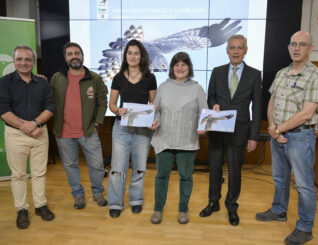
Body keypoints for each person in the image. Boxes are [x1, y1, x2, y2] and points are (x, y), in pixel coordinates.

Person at [256, 31, 318, 245]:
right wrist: (272, 127)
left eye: (302, 44)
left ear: (310, 49)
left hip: (299, 138)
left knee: (304, 185)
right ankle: (279, 210)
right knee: (280, 178)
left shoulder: (316, 75)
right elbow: (272, 102)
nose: (297, 48)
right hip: (279, 135)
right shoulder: (281, 73)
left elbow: (306, 114)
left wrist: (279, 129)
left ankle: (305, 228)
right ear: (288, 47)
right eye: (293, 44)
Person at [200, 34, 262, 226]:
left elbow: (257, 107)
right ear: (227, 50)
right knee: (215, 167)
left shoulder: (254, 74)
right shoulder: (217, 71)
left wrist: (254, 136)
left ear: (246, 50)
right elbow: (210, 97)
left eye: (240, 47)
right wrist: (215, 104)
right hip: (218, 127)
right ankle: (213, 202)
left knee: (235, 170)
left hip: (240, 130)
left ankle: (232, 206)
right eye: (232, 47)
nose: (236, 51)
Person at [0, 45, 55, 229]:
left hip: (40, 132)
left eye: (27, 59)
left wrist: (35, 124)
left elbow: (50, 107)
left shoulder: (43, 82)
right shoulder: (4, 82)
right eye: (19, 59)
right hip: (16, 134)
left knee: (39, 172)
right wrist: (27, 127)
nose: (23, 63)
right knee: (18, 175)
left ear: (33, 61)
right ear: (14, 61)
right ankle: (22, 210)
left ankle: (40, 205)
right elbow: (3, 111)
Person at [150, 52, 208, 225]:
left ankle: (183, 209)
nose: (180, 68)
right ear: (172, 67)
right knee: (161, 176)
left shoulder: (197, 88)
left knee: (186, 177)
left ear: (189, 67)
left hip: (187, 141)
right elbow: (156, 110)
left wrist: (203, 126)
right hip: (164, 139)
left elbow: (203, 112)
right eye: (177, 65)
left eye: (184, 64)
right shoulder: (163, 86)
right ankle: (158, 209)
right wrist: (155, 121)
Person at [51, 42, 108, 209]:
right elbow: (48, 99)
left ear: (82, 55)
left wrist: (97, 123)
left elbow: (102, 101)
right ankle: (78, 195)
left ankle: (98, 192)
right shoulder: (57, 78)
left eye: (77, 53)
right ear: (65, 57)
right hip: (64, 133)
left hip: (88, 132)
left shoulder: (95, 78)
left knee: (97, 165)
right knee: (70, 166)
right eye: (70, 54)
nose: (74, 56)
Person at [107, 39, 157, 218]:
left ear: (141, 55)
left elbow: (153, 103)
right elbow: (112, 104)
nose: (133, 56)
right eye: (130, 53)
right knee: (117, 168)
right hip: (121, 127)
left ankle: (136, 200)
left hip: (142, 129)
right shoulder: (118, 77)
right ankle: (115, 203)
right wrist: (117, 110)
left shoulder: (150, 78)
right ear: (125, 56)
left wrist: (153, 112)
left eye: (136, 53)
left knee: (139, 167)